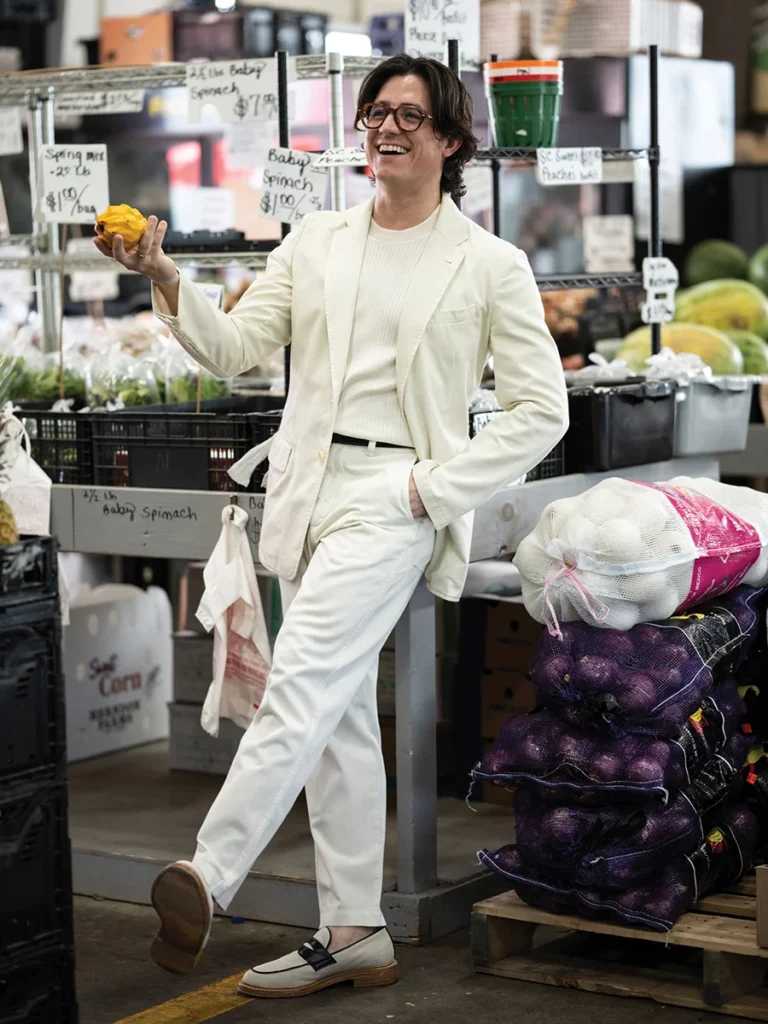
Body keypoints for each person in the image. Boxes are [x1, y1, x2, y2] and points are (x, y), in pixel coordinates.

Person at [94, 53, 568, 1000]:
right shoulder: (316, 241)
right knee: (341, 713)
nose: (386, 128)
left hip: (396, 497)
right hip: (309, 490)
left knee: (301, 680)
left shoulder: (488, 265)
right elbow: (234, 353)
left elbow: (540, 410)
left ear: (451, 139)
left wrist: (432, 489)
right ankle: (354, 929)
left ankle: (208, 874)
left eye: (408, 115)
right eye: (373, 114)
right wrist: (159, 269)